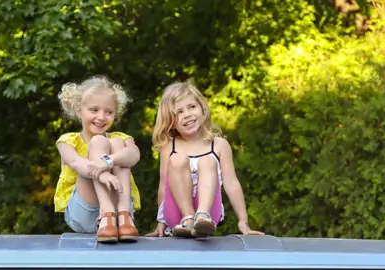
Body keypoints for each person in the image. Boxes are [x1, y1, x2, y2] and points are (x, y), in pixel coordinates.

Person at [146, 81, 264, 238]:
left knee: (207, 161)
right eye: (179, 112)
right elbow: (163, 187)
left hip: (209, 214)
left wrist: (243, 222)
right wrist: (160, 223)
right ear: (171, 122)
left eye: (192, 107)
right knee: (178, 160)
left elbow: (231, 183)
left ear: (203, 110)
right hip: (177, 215)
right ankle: (188, 218)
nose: (187, 114)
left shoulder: (219, 145)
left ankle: (202, 216)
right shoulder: (169, 147)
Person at [54, 75, 141, 243]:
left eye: (108, 112)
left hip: (119, 214)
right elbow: (77, 164)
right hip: (83, 211)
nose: (101, 117)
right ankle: (106, 212)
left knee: (116, 143)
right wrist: (103, 173)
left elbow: (134, 155)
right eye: (94, 110)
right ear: (79, 110)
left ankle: (124, 214)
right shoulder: (67, 141)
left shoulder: (121, 138)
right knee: (99, 142)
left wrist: (108, 161)